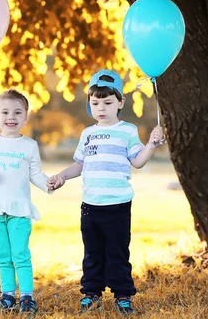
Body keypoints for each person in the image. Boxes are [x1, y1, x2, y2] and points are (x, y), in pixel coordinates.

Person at [48, 69, 164, 315]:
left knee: (118, 252)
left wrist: (151, 144)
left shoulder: (127, 131)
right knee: (92, 254)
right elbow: (80, 164)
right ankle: (91, 294)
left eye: (108, 102)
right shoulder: (87, 134)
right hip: (90, 205)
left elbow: (138, 161)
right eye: (95, 102)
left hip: (118, 205)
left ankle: (123, 296)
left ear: (120, 102)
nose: (101, 108)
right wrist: (62, 176)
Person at [0, 89, 51, 314]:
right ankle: (7, 296)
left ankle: (26, 296)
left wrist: (49, 184)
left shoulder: (29, 145)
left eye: (17, 112)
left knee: (20, 254)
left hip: (19, 210)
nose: (11, 117)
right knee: (2, 255)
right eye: (5, 112)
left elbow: (35, 174)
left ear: (26, 117)